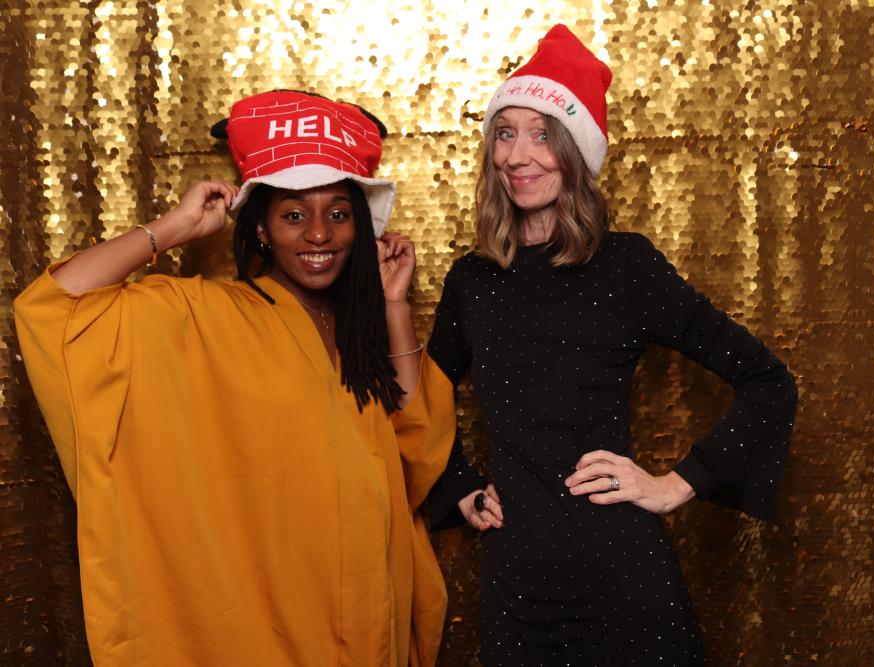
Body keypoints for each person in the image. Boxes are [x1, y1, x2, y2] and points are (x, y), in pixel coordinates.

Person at [13, 90, 455, 666]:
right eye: (293, 215)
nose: (318, 234)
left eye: (338, 214)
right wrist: (172, 228)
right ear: (262, 229)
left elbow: (416, 448)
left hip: (370, 609)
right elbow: (57, 308)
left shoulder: (358, 330)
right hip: (268, 616)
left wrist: (394, 305)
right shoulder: (204, 313)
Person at [423, 25, 799, 665]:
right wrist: (459, 486)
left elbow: (769, 382)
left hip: (623, 584)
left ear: (576, 152)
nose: (518, 155)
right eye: (505, 133)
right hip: (517, 588)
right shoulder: (472, 281)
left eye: (543, 135)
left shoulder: (627, 267)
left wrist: (676, 484)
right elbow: (420, 400)